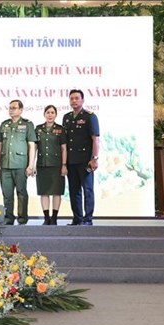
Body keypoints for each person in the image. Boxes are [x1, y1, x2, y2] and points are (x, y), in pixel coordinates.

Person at [0, 100, 36, 225]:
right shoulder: (4, 125)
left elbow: (31, 145)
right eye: (10, 108)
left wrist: (30, 165)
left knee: (21, 193)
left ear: (21, 110)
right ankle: (8, 218)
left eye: (14, 108)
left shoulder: (27, 124)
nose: (11, 110)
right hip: (5, 165)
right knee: (7, 194)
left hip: (20, 164)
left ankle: (22, 219)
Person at [62, 89, 100, 226]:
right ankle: (77, 219)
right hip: (71, 161)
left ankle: (88, 219)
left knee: (88, 190)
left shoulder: (90, 116)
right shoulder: (67, 117)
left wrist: (95, 158)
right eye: (71, 98)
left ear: (82, 100)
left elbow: (95, 139)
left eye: (77, 98)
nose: (74, 101)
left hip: (86, 161)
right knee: (74, 191)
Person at [34, 105, 67, 225]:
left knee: (57, 192)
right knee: (44, 192)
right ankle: (46, 217)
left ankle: (54, 218)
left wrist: (64, 165)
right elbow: (35, 148)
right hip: (42, 165)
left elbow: (64, 148)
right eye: (48, 112)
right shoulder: (38, 129)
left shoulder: (61, 129)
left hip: (57, 165)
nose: (50, 114)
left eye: (52, 112)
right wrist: (32, 164)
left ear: (56, 115)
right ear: (44, 114)